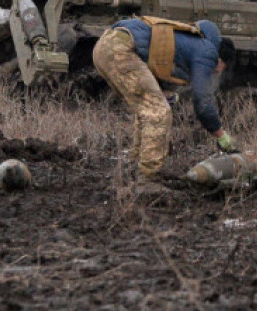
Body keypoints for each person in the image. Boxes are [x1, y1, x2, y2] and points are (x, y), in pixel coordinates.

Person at [92, 17, 236, 193]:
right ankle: (147, 180)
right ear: (222, 61)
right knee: (159, 112)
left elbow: (153, 65)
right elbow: (202, 102)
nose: (218, 72)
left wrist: (163, 93)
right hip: (121, 50)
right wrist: (220, 134)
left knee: (146, 109)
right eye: (223, 68)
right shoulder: (208, 52)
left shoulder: (190, 40)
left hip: (105, 46)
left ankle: (135, 168)